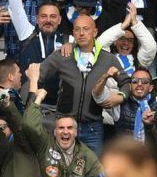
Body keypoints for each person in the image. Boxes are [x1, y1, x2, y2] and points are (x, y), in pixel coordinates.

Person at [22, 73, 103, 177]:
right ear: (54, 131)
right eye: (61, 128)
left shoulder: (86, 155)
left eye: (69, 128)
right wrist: (38, 99)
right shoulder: (46, 145)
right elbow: (29, 124)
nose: (65, 132)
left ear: (76, 132)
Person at [35, 16, 130, 155]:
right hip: (64, 125)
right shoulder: (63, 54)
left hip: (93, 128)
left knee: (94, 174)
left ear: (95, 32)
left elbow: (127, 83)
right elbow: (36, 75)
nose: (81, 33)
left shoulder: (108, 58)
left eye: (86, 29)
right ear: (73, 33)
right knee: (60, 171)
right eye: (77, 29)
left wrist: (121, 96)